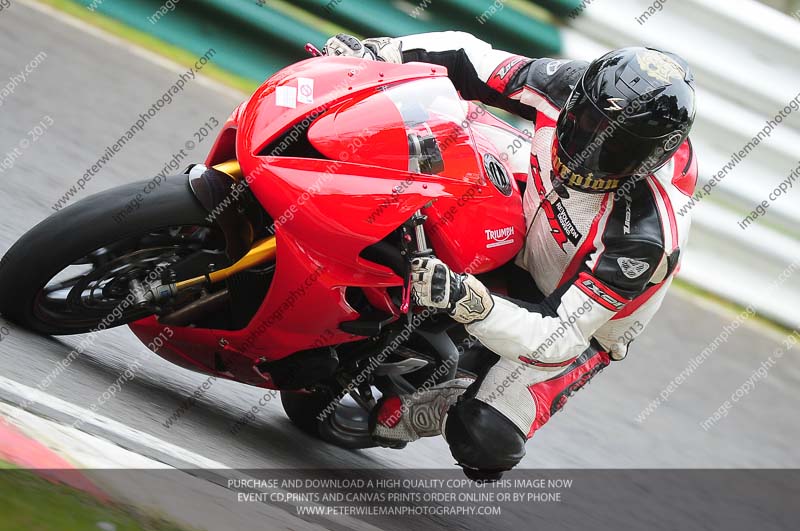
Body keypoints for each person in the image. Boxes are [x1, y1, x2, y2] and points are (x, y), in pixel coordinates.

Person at [324, 32, 698, 479]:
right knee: (431, 147)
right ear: (580, 98)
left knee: (486, 437)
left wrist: (469, 302)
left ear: (652, 157)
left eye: (614, 147)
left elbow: (557, 337)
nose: (588, 147)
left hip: (571, 316)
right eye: (585, 122)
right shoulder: (569, 84)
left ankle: (450, 398)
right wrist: (378, 53)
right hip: (525, 213)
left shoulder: (644, 235)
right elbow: (469, 58)